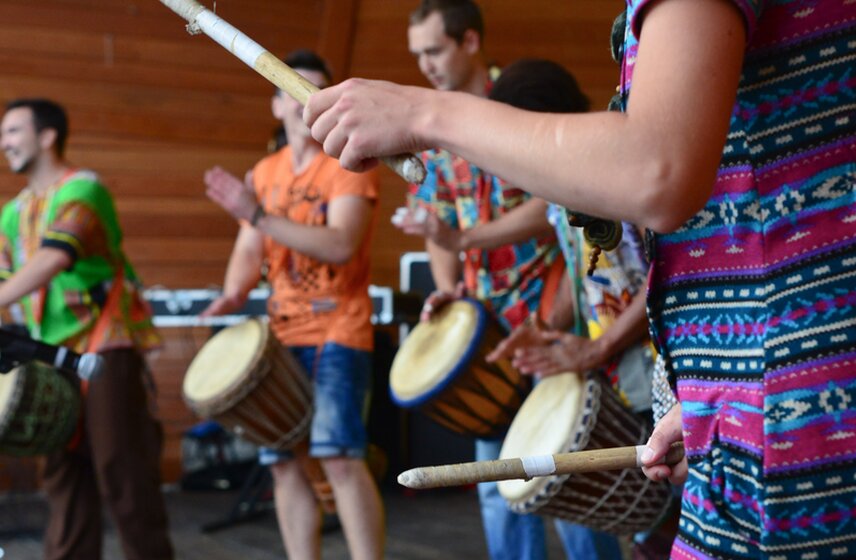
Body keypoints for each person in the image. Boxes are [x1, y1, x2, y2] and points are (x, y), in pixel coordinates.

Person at [304, 0, 856, 557]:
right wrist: (709, 395)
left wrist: (425, 114)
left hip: (798, 412)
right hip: (749, 404)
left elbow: (654, 170)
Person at [398, 3, 623, 559]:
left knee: (570, 484)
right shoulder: (432, 127)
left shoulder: (523, 98)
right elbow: (438, 224)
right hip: (486, 329)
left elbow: (559, 196)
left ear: (469, 40)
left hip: (555, 315)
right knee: (501, 489)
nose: (425, 65)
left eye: (434, 50)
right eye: (417, 54)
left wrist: (467, 241)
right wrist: (449, 286)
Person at [484, 58, 676, 559]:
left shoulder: (611, 172)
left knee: (670, 514)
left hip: (658, 366)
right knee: (651, 526)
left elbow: (665, 273)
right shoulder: (557, 191)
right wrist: (543, 329)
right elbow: (586, 273)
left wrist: (600, 346)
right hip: (621, 368)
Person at [200, 49, 385, 560]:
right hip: (280, 336)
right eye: (293, 89)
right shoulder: (263, 171)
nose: (306, 100)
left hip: (337, 331)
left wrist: (256, 215)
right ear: (277, 104)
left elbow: (341, 244)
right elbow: (247, 248)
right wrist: (233, 295)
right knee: (282, 462)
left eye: (317, 89)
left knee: (340, 459)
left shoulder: (351, 161)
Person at [0, 98, 173, 559]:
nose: (5, 143)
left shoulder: (84, 190)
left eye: (14, 131)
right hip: (48, 358)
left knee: (124, 472)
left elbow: (56, 254)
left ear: (48, 135)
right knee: (63, 477)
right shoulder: (12, 213)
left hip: (106, 346)